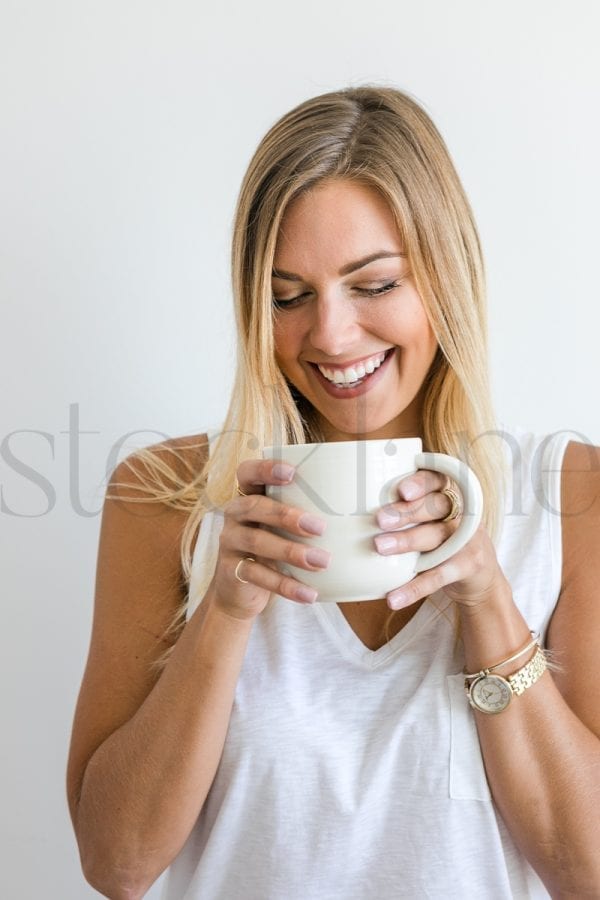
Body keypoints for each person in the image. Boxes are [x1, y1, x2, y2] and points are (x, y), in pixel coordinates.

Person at [66, 85, 600, 900]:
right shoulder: (164, 497)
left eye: (375, 284)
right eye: (288, 296)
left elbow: (587, 868)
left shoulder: (572, 495)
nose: (331, 335)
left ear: (446, 277)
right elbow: (117, 862)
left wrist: (489, 604)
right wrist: (225, 612)